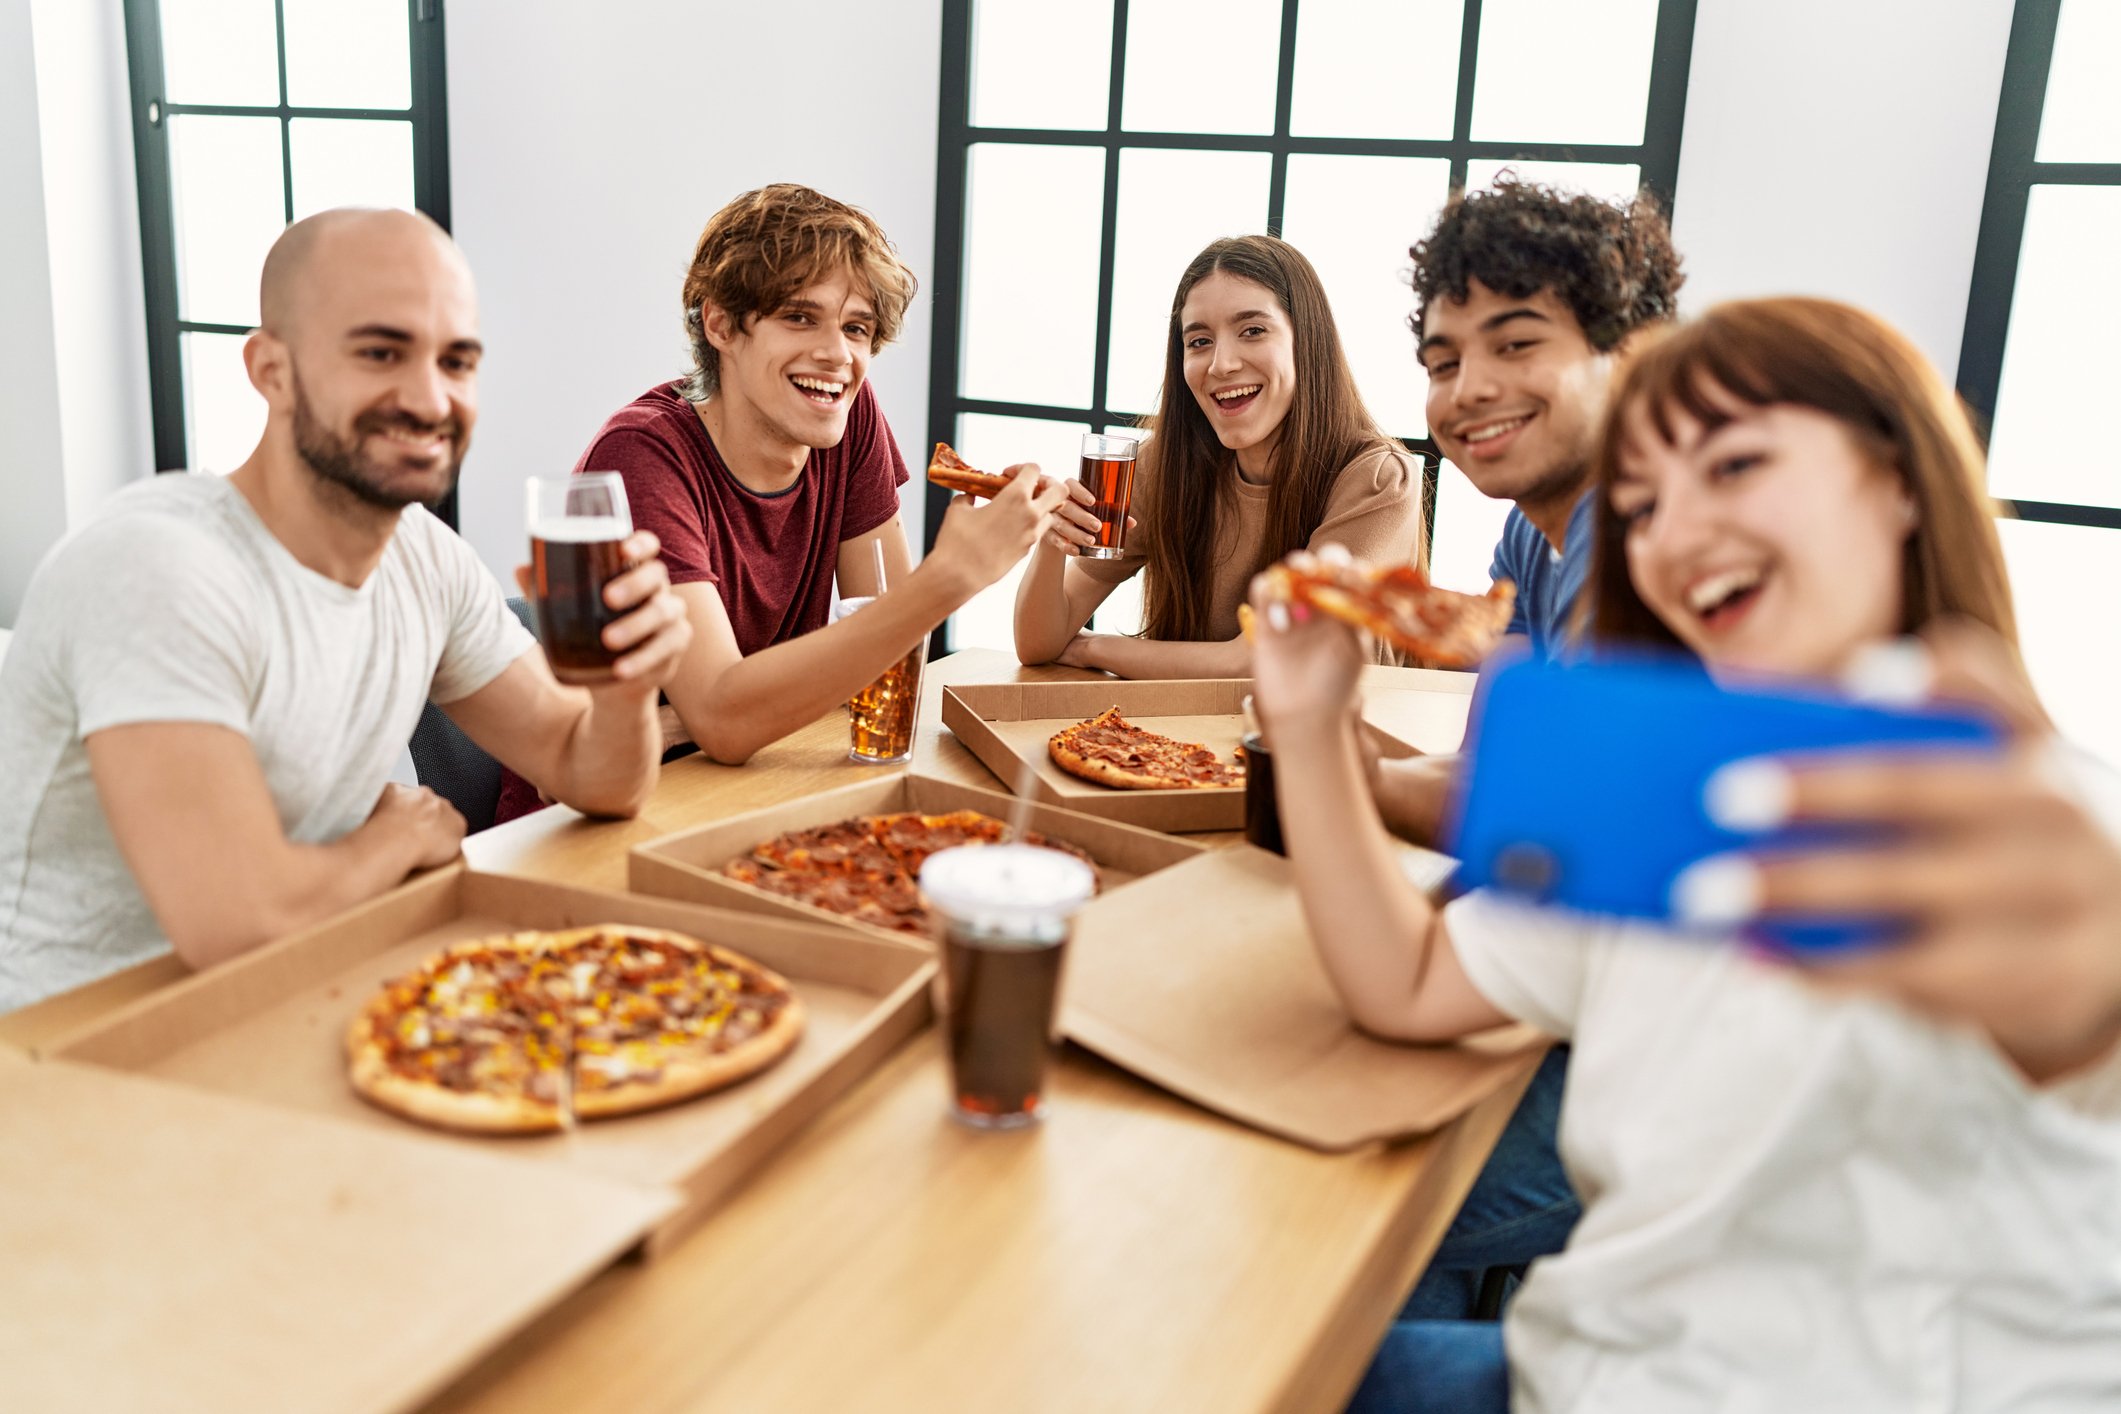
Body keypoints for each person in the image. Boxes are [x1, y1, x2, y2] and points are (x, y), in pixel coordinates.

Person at [1249, 298, 2121, 1412]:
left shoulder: (2046, 822)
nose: (1674, 534)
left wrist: (2085, 991)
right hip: (1567, 1380)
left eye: (1738, 464)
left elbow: (2072, 975)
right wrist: (1311, 726)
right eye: (1643, 504)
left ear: (1900, 477)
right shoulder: (1653, 802)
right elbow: (1409, 981)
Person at [0, 208, 692, 1012]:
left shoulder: (424, 560)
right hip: (68, 1058)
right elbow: (240, 922)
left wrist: (624, 685)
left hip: (287, 998)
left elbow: (597, 779)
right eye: (379, 352)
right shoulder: (157, 567)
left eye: (457, 360)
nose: (430, 398)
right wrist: (395, 838)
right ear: (271, 370)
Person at [491, 185, 1064, 822]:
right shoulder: (642, 457)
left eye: (856, 329)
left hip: (752, 783)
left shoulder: (848, 417)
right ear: (719, 324)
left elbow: (888, 665)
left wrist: (698, 717)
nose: (837, 355)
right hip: (592, 820)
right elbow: (727, 720)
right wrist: (951, 576)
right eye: (799, 316)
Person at [1373, 176, 1685, 844]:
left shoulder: (1644, 532)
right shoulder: (1528, 530)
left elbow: (1555, 818)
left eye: (1515, 344)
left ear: (1629, 353)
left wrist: (1324, 762)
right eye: (1443, 363)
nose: (1469, 390)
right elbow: (1490, 765)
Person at [1012, 234, 1424, 677]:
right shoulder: (1165, 466)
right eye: (1199, 341)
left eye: (1252, 331)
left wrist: (1092, 649)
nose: (1221, 364)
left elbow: (1266, 660)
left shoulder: (1377, 479)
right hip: (1180, 741)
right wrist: (1053, 544)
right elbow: (1037, 643)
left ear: (1307, 340)